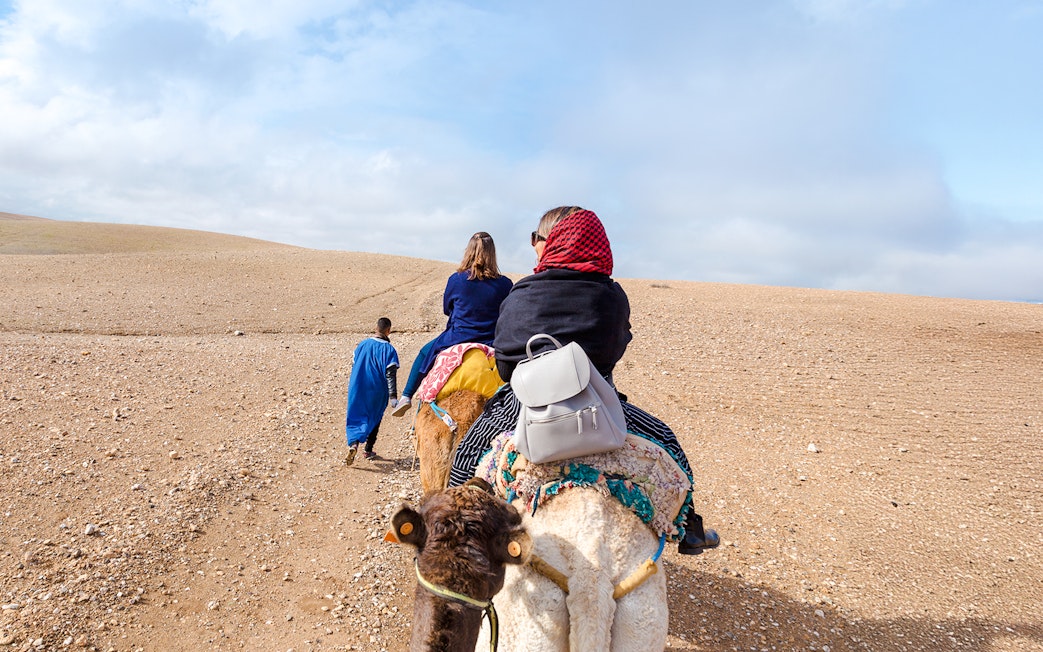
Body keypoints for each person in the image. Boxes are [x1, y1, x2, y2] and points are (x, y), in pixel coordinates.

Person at [448, 206, 720, 555]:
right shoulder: (611, 295)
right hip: (596, 402)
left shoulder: (521, 292)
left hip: (524, 406)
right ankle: (691, 529)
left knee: (467, 454)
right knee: (666, 440)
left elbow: (504, 366)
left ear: (550, 242)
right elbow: (615, 350)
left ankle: (452, 530)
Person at [392, 231, 513, 416]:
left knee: (425, 351)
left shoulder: (456, 279)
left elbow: (447, 309)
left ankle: (406, 396)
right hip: (491, 340)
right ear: (492, 253)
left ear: (469, 251)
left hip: (457, 337)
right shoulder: (505, 284)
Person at [345, 317, 400, 465]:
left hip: (358, 386)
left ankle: (354, 444)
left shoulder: (362, 345)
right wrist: (393, 397)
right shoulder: (389, 350)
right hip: (377, 390)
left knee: (356, 415)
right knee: (375, 417)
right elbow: (390, 374)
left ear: (375, 328)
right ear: (388, 331)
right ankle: (368, 449)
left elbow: (354, 365)